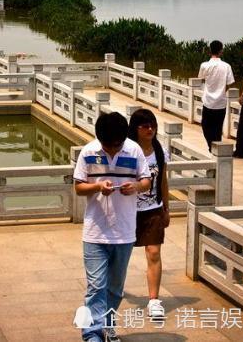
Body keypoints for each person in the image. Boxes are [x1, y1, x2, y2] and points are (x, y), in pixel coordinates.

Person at [74, 112, 151, 342]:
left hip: (124, 231)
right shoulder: (88, 152)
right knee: (96, 286)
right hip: (95, 231)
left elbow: (147, 182)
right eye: (107, 146)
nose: (112, 150)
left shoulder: (134, 150)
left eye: (116, 145)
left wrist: (136, 186)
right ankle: (92, 334)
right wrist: (97, 186)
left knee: (115, 289)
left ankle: (107, 325)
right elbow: (78, 187)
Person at [128, 109, 170, 321]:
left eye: (152, 125)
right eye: (145, 126)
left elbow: (163, 179)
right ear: (135, 128)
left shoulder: (159, 151)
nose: (150, 130)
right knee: (119, 256)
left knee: (153, 253)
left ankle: (154, 300)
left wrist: (166, 207)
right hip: (127, 210)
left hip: (152, 209)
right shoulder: (127, 151)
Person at [198, 40, 235, 151]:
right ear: (221, 51)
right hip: (221, 102)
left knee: (205, 126)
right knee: (217, 129)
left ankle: (211, 146)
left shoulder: (205, 65)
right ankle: (215, 148)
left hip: (208, 101)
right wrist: (223, 90)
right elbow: (230, 82)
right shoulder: (226, 66)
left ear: (210, 51)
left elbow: (201, 78)